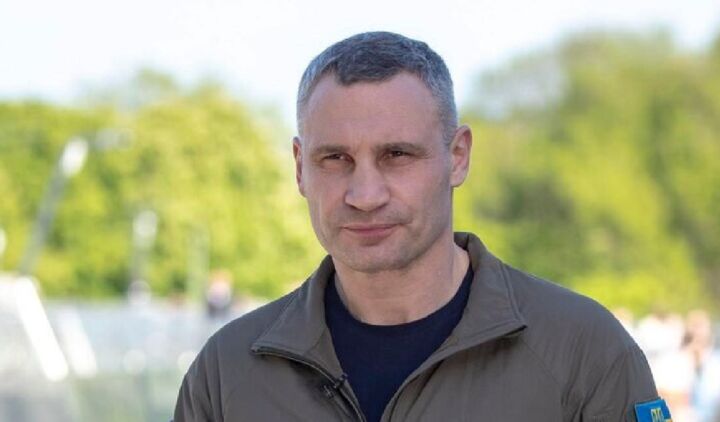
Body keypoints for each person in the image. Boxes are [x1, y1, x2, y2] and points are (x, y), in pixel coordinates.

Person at [174, 31, 664, 422]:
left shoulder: (584, 352)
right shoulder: (227, 373)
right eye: (336, 158)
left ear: (458, 156)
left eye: (397, 155)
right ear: (300, 167)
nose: (365, 195)